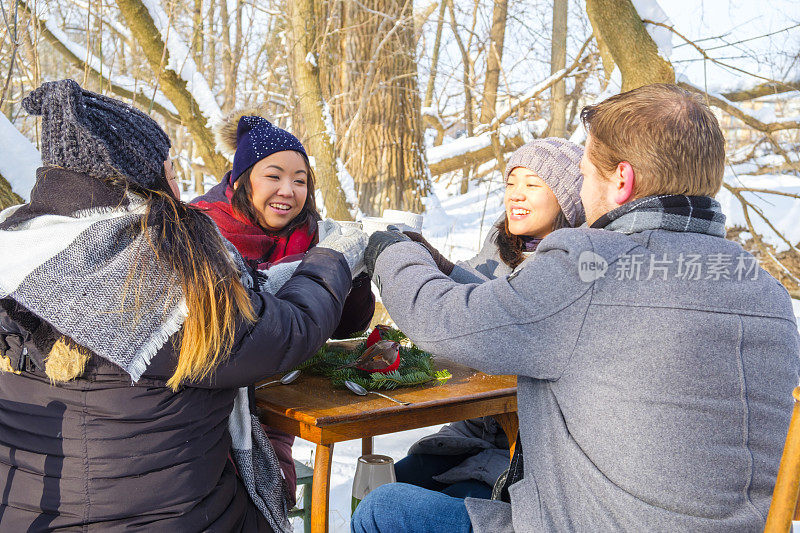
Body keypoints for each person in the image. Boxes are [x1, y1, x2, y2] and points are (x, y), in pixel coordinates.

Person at [353, 84, 800, 532]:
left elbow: (442, 323)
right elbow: (526, 312)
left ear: (622, 181)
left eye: (585, 175)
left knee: (384, 507)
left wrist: (389, 250)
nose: (582, 191)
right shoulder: (759, 286)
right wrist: (446, 266)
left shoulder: (591, 263)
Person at [0, 79, 367, 531]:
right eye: (169, 171)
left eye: (299, 179)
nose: (179, 184)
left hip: (28, 511)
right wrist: (332, 259)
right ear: (139, 177)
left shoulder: (17, 244)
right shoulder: (155, 263)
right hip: (174, 516)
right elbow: (279, 337)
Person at [191, 110, 375, 501]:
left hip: (280, 398)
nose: (288, 191)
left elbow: (348, 326)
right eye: (273, 176)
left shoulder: (311, 234)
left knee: (275, 490)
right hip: (208, 401)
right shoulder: (201, 231)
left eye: (300, 180)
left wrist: (351, 267)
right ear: (241, 180)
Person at [393, 138, 584, 500]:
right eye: (511, 184)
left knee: (435, 504)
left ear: (567, 199)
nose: (516, 195)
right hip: (476, 431)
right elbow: (479, 297)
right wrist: (435, 263)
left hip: (530, 452)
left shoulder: (573, 268)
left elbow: (500, 322)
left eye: (532, 185)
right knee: (395, 479)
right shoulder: (503, 243)